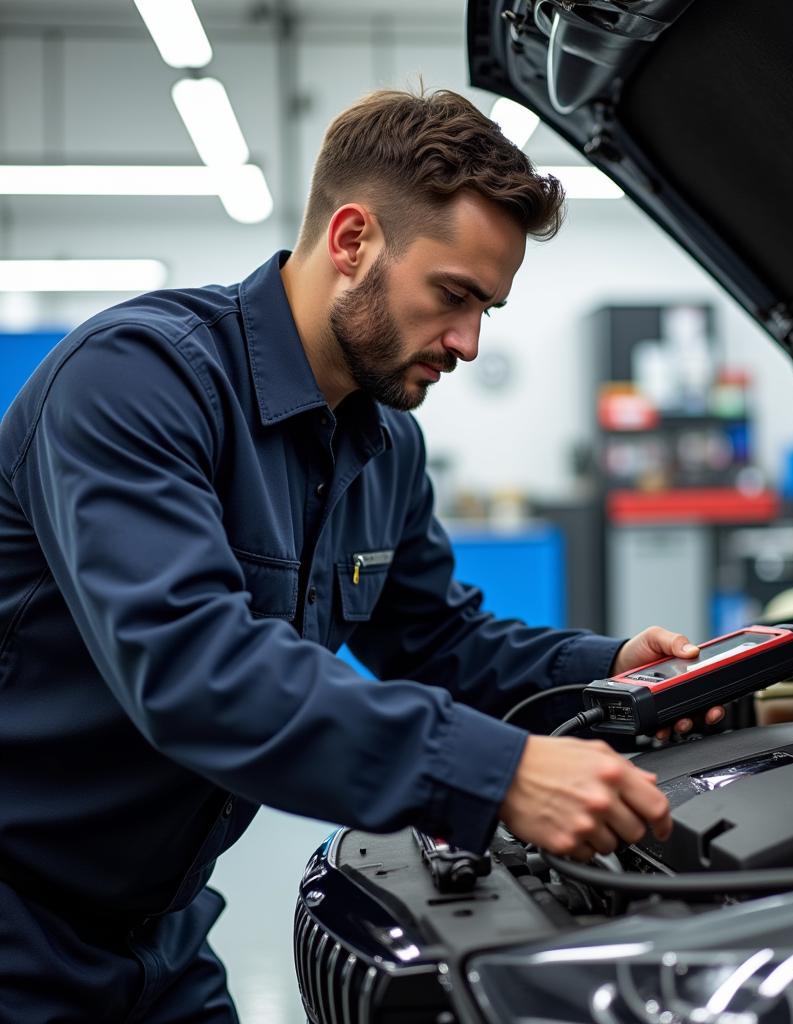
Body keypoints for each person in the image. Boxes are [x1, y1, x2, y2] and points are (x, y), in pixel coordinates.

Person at [0, 88, 722, 1020]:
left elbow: (437, 641)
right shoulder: (136, 381)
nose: (466, 341)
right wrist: (493, 772)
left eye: (487, 309)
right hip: (17, 923)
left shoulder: (383, 442)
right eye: (453, 296)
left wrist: (609, 672)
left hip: (161, 930)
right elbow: (191, 667)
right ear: (352, 242)